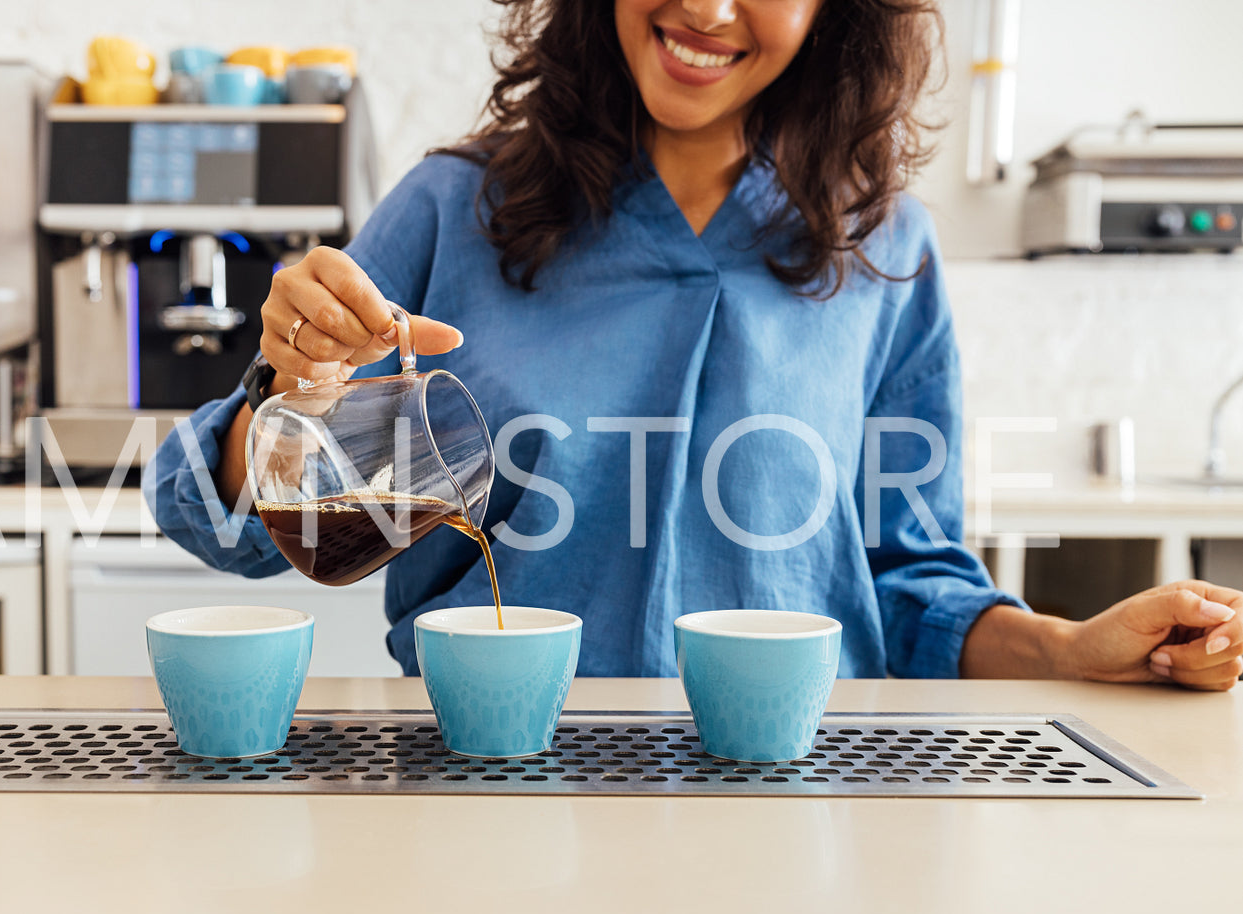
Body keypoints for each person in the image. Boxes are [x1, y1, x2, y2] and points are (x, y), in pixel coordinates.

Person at [145, 0, 1241, 690]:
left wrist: (1064, 646)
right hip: (482, 792)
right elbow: (225, 519)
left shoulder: (883, 249)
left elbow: (907, 588)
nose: (707, 10)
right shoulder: (452, 211)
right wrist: (281, 395)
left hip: (803, 810)